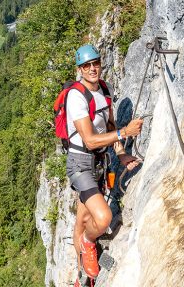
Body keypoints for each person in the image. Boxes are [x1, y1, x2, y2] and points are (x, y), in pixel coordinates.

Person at [66, 44, 144, 278]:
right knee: (103, 217)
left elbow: (109, 126)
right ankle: (89, 244)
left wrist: (121, 154)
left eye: (95, 63)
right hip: (80, 163)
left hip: (99, 163)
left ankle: (79, 273)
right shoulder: (76, 96)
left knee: (84, 216)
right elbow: (90, 140)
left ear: (100, 63)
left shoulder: (105, 90)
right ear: (80, 69)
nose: (92, 68)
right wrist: (125, 133)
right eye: (87, 65)